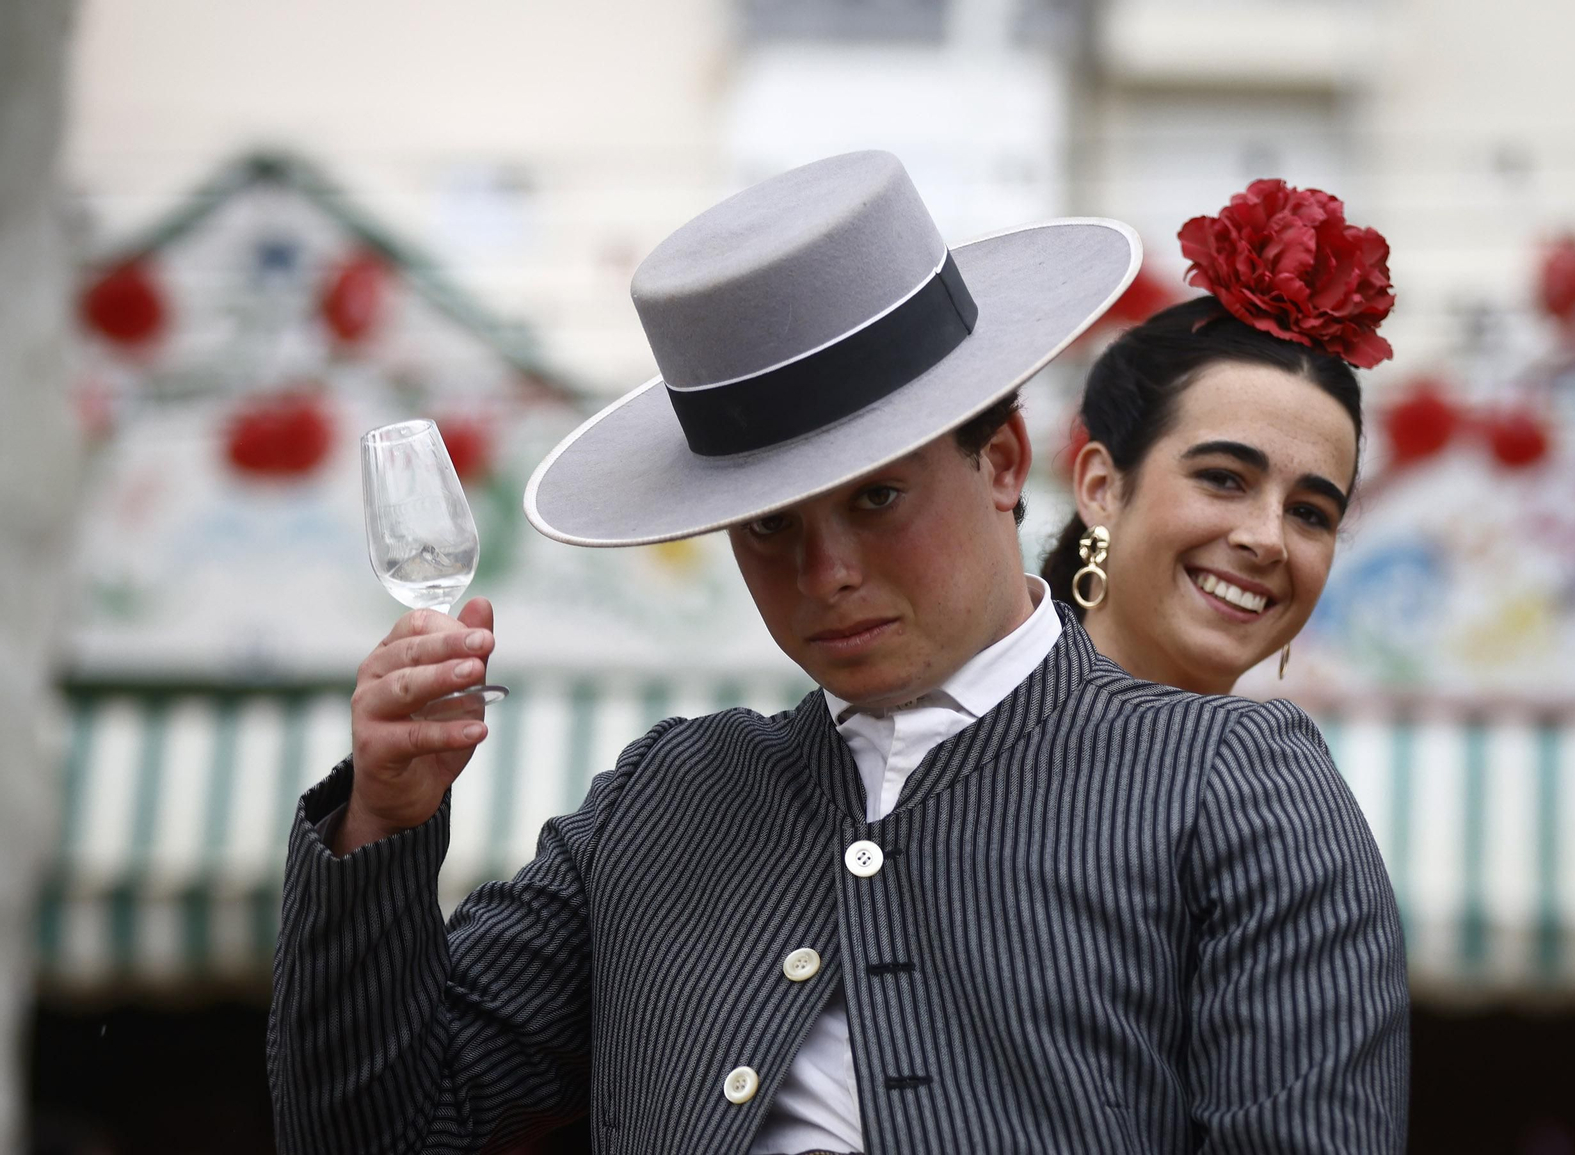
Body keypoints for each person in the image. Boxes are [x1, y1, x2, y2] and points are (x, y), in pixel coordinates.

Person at [268, 153, 1408, 1155]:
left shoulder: (1227, 783)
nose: (827, 575)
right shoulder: (667, 797)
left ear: (1003, 462)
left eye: (877, 499)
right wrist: (384, 822)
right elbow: (380, 1130)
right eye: (769, 525)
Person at [1042, 179, 1391, 696]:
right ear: (1101, 487)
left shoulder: (1282, 772)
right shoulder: (952, 755)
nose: (1268, 540)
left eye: (1310, 513)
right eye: (1224, 479)